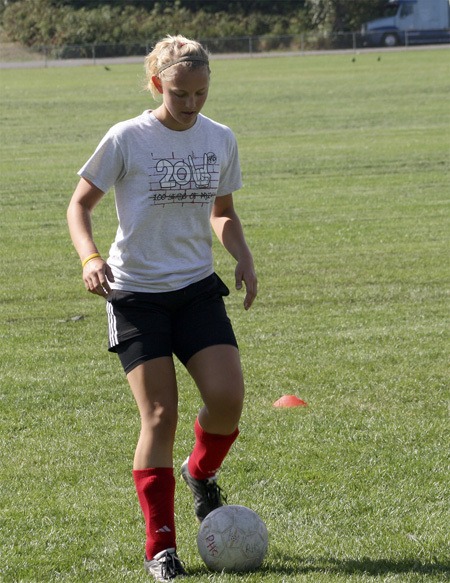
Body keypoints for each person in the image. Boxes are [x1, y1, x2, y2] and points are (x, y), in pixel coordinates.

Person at [67, 35, 257, 582]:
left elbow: (223, 211)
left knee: (226, 399)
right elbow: (80, 205)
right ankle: (161, 547)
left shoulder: (220, 138)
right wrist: (89, 258)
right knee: (159, 416)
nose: (192, 104)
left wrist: (241, 255)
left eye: (200, 92)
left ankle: (201, 475)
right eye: (180, 94)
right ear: (157, 85)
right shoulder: (128, 137)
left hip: (196, 286)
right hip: (135, 294)